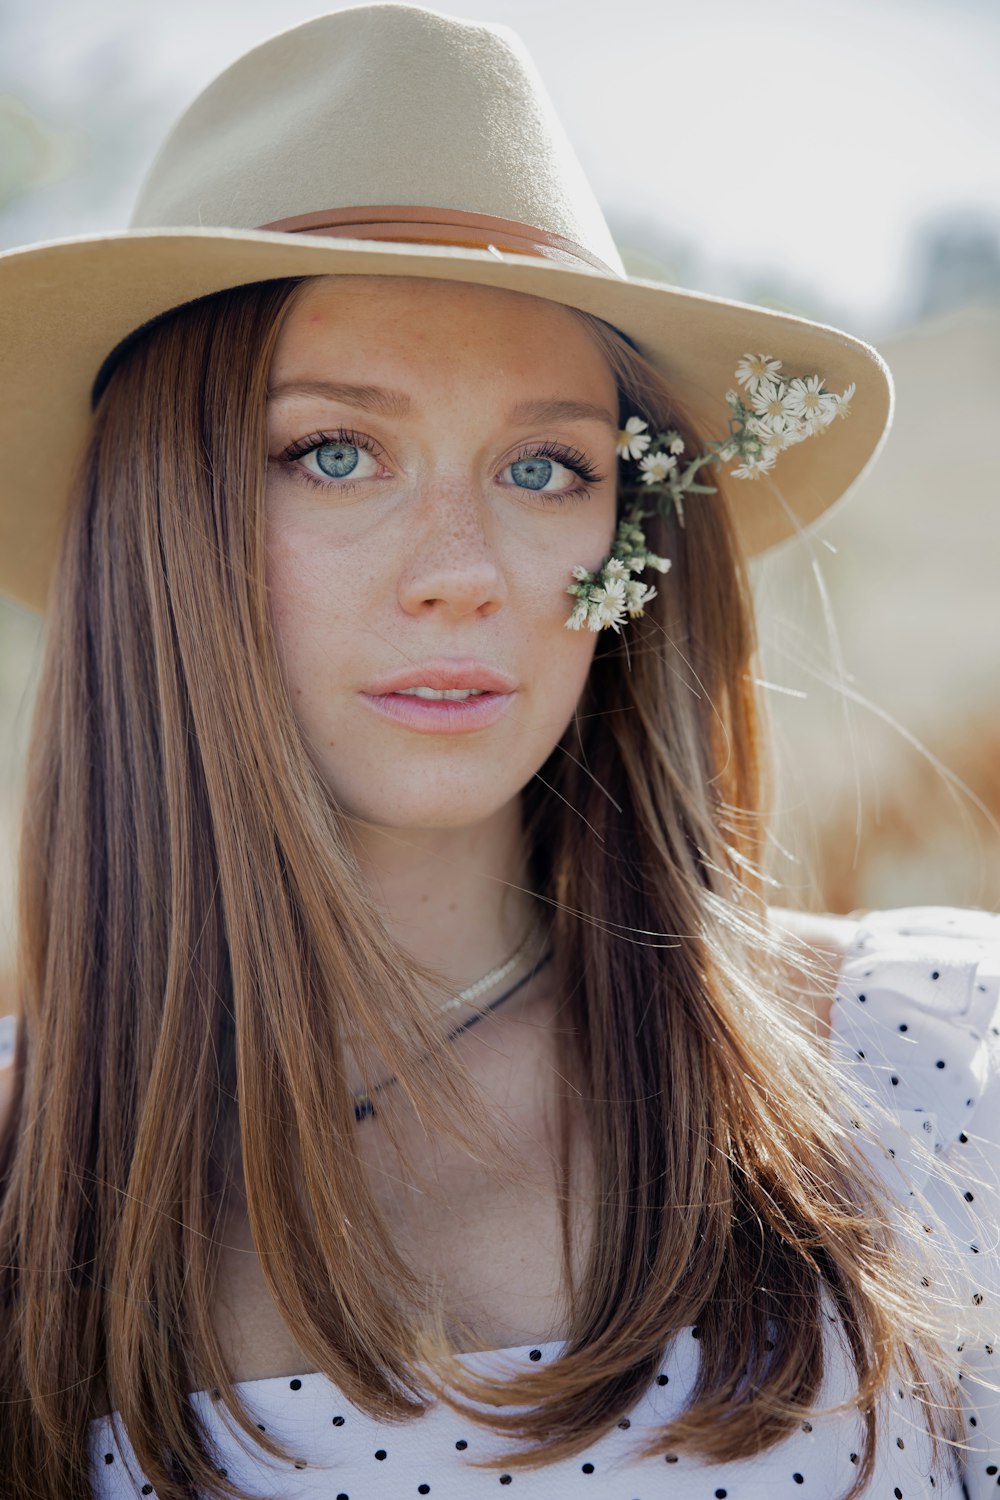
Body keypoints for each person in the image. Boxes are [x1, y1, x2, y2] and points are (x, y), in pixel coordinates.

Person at [0, 5, 997, 1498]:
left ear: (627, 543)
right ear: (159, 526)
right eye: (333, 451)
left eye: (546, 468)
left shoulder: (933, 1071)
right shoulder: (22, 1182)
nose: (461, 570)